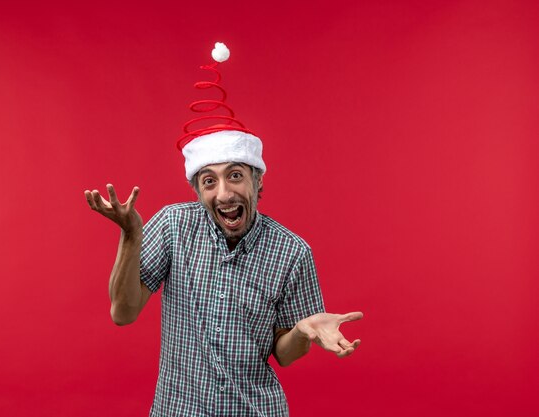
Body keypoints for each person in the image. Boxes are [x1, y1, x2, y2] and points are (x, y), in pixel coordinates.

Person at [84, 43, 363, 417]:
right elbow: (123, 312)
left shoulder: (292, 252)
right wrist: (132, 234)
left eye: (235, 176)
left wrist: (303, 330)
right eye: (209, 181)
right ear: (198, 191)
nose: (225, 193)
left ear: (257, 182)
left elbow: (285, 354)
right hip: (177, 409)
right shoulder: (172, 226)